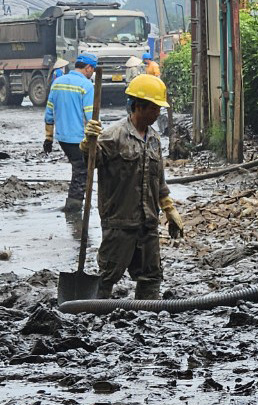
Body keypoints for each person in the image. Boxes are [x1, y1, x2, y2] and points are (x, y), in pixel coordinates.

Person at [81, 74, 183, 300]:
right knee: (108, 275)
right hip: (120, 222)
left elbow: (159, 179)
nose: (158, 113)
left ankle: (148, 319)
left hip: (147, 222)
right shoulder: (114, 135)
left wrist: (169, 209)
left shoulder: (154, 138)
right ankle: (95, 315)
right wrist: (88, 142)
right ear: (138, 106)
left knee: (151, 276)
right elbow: (92, 160)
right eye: (154, 108)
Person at [43, 52, 97, 213]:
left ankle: (77, 202)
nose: (92, 73)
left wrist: (48, 138)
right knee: (82, 169)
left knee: (79, 167)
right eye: (92, 70)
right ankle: (74, 206)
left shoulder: (57, 83)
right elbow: (90, 117)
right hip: (79, 137)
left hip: (62, 138)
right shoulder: (86, 86)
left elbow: (49, 113)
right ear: (88, 68)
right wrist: (96, 139)